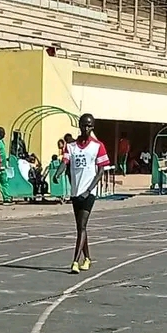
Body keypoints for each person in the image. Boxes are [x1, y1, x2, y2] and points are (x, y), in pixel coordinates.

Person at [63, 112, 110, 273]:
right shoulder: (71, 146)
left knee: (82, 225)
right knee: (80, 227)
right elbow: (65, 162)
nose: (86, 128)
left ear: (93, 127)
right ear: (79, 126)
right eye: (84, 125)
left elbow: (101, 170)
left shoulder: (98, 146)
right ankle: (88, 258)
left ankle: (75, 261)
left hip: (89, 192)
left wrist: (89, 189)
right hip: (76, 191)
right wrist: (58, 173)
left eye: (89, 125)